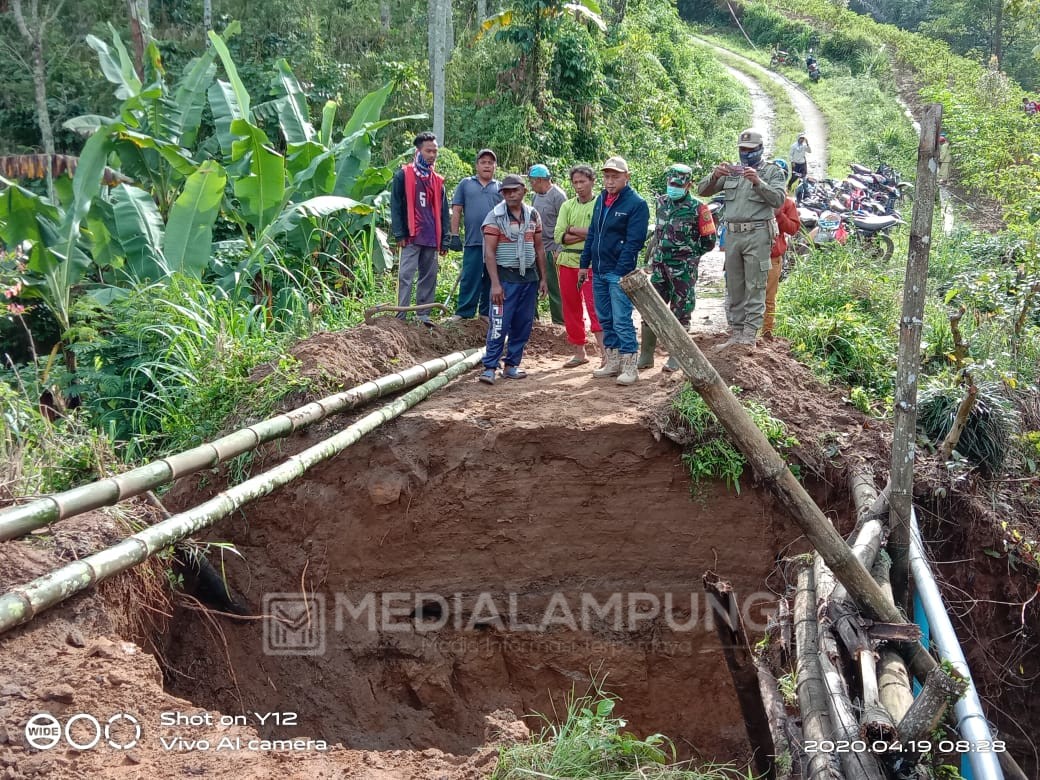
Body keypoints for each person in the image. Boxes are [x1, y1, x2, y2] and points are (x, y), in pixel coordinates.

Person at [698, 129, 787, 351]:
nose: (745, 154)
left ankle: (749, 335)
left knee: (755, 284)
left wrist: (758, 182)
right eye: (742, 149)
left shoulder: (772, 172)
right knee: (734, 285)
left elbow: (778, 200)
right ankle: (736, 333)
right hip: (733, 234)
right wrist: (715, 175)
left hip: (758, 233)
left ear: (760, 149)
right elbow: (703, 190)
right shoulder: (732, 172)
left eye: (750, 150)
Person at [578, 156, 650, 385]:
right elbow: (593, 235)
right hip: (598, 270)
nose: (610, 181)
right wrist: (584, 263)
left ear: (626, 177)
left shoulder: (636, 204)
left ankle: (630, 366)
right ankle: (613, 361)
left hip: (617, 272)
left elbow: (633, 243)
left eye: (615, 177)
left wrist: (620, 272)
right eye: (607, 176)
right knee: (605, 318)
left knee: (621, 319)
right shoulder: (602, 199)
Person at [639, 163, 717, 372]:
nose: (673, 187)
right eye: (670, 183)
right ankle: (646, 355)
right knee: (651, 308)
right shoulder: (661, 203)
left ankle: (677, 357)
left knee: (681, 311)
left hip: (683, 269)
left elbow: (709, 240)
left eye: (678, 184)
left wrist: (689, 256)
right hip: (659, 267)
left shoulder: (699, 208)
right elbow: (658, 234)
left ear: (689, 185)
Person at [478, 174, 549, 385]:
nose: (510, 194)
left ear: (524, 190)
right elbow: (489, 253)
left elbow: (539, 248)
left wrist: (543, 278)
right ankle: (490, 366)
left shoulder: (533, 215)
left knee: (523, 324)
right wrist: (495, 284)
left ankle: (511, 365)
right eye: (506, 191)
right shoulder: (495, 217)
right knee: (499, 324)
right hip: (505, 278)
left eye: (514, 190)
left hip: (529, 277)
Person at [390, 131, 450, 323]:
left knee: (429, 277)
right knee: (406, 275)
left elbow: (443, 211)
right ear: (418, 151)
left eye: (435, 151)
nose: (432, 155)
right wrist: (399, 233)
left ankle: (423, 316)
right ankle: (401, 316)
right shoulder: (403, 175)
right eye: (428, 151)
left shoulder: (437, 181)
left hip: (431, 236)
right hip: (411, 236)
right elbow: (396, 205)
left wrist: (445, 239)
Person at [554, 165, 605, 367]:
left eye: (582, 181)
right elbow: (559, 235)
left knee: (596, 308)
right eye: (575, 182)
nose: (579, 186)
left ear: (592, 181)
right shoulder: (567, 206)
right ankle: (579, 352)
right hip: (567, 262)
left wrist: (572, 230)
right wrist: (586, 233)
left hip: (592, 262)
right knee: (570, 307)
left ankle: (605, 354)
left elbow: (600, 232)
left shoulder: (600, 204)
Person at [449, 149, 502, 320]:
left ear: (495, 166)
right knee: (470, 277)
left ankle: (485, 313)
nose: (487, 165)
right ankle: (464, 312)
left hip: (495, 244)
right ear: (477, 165)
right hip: (473, 241)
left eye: (490, 163)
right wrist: (454, 235)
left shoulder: (500, 188)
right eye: (483, 162)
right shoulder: (466, 184)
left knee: (490, 278)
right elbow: (456, 210)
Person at [763, 160, 801, 340]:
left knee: (768, 298)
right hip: (751, 254)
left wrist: (779, 214)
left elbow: (793, 228)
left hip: (772, 256)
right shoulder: (756, 195)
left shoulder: (786, 203)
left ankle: (766, 334)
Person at [528, 164, 567, 326]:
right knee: (531, 283)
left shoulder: (558, 196)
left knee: (554, 287)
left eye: (532, 181)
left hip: (552, 249)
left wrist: (560, 248)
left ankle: (559, 322)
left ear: (539, 180)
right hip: (536, 248)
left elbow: (566, 222)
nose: (531, 184)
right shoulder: (536, 196)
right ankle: (533, 319)